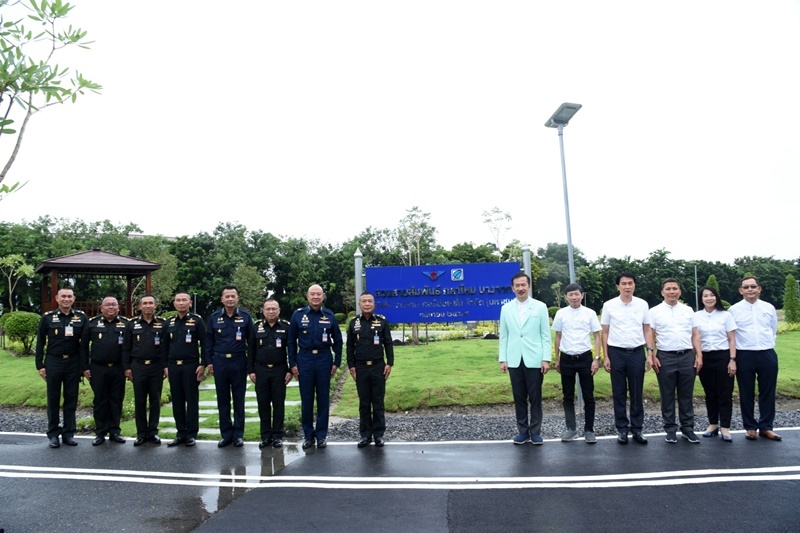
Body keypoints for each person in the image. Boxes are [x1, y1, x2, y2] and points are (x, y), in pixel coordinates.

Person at [288, 284, 343, 450]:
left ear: (323, 296)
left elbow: (338, 341)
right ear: (307, 296)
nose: (316, 297)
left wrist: (337, 362)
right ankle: (308, 435)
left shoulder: (329, 315)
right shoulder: (298, 315)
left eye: (319, 294)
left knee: (323, 398)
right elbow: (291, 341)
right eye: (312, 294)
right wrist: (292, 363)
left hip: (323, 358)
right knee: (306, 399)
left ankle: (321, 436)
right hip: (304, 359)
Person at [601, 272, 653, 445]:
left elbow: (647, 329)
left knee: (637, 392)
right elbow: (605, 331)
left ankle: (637, 429)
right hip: (616, 352)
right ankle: (622, 429)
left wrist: (650, 353)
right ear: (618, 286)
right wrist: (606, 356)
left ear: (634, 285)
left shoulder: (642, 304)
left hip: (637, 352)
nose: (627, 287)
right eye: (623, 284)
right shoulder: (609, 305)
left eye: (630, 283)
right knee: (619, 392)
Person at [498, 272, 551, 445]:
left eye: (523, 285)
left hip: (535, 358)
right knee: (519, 396)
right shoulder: (506, 308)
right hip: (514, 358)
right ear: (512, 288)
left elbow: (545, 335)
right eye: (517, 286)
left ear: (529, 286)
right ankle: (522, 431)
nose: (520, 288)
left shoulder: (540, 307)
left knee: (535, 397)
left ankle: (535, 431)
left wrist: (546, 359)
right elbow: (504, 336)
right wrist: (503, 358)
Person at [648, 278, 703, 444]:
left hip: (687, 356)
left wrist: (699, 355)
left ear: (680, 291)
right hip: (665, 357)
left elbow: (695, 334)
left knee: (686, 395)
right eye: (668, 289)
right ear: (662, 292)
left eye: (675, 289)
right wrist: (651, 354)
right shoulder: (654, 311)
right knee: (667, 395)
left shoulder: (688, 311)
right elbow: (650, 334)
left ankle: (688, 429)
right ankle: (670, 429)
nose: (672, 292)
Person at [728, 276, 781, 441]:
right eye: (746, 287)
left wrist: (768, 344)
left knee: (768, 391)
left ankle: (766, 426)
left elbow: (773, 329)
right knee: (746, 392)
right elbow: (732, 335)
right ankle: (750, 427)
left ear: (759, 289)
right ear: (740, 290)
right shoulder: (734, 310)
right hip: (745, 354)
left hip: (767, 353)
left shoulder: (769, 307)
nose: (750, 289)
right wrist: (733, 359)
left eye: (753, 286)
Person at [35, 288, 88, 448]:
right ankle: (53, 434)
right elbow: (40, 342)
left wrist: (84, 366)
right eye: (63, 296)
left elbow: (84, 345)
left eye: (69, 296)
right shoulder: (48, 318)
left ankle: (69, 433)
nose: (66, 299)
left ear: (74, 298)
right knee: (53, 398)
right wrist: (40, 365)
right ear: (57, 298)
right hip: (53, 361)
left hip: (73, 362)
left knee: (71, 398)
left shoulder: (81, 317)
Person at [552, 283, 601, 444]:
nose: (574, 297)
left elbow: (597, 336)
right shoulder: (561, 313)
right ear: (566, 297)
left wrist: (597, 358)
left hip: (585, 358)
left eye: (576, 294)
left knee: (588, 396)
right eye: (570, 295)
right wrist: (557, 358)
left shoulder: (590, 313)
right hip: (566, 358)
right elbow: (558, 337)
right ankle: (571, 428)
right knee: (567, 396)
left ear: (582, 295)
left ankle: (589, 429)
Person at [206, 285, 252, 448]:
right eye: (227, 296)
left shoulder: (245, 317)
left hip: (239, 361)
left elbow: (252, 343)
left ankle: (238, 434)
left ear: (238, 298)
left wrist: (250, 365)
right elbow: (209, 341)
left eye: (233, 296)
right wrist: (209, 362)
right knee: (223, 400)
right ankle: (226, 434)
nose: (230, 299)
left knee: (239, 400)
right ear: (222, 299)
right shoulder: (214, 317)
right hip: (220, 362)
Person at [347, 292, 394, 448]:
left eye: (370, 301)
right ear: (359, 304)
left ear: (374, 304)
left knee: (378, 402)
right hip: (360, 367)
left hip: (378, 366)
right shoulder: (354, 323)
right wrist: (351, 365)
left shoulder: (382, 321)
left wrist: (390, 363)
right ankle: (365, 435)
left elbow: (388, 343)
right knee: (364, 402)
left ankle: (379, 435)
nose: (367, 304)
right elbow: (349, 346)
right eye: (364, 301)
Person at [80, 296, 129, 446]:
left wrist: (128, 368)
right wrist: (85, 368)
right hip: (97, 368)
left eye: (113, 305)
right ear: (101, 308)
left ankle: (114, 431)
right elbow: (82, 347)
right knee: (100, 401)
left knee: (116, 400)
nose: (110, 308)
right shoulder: (92, 324)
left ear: (118, 308)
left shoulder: (126, 324)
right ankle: (100, 432)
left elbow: (131, 348)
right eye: (107, 305)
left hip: (118, 368)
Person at [693, 286, 737, 442]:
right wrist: (698, 356)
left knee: (724, 394)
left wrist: (732, 360)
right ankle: (713, 424)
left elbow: (732, 339)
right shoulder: (696, 316)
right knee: (710, 393)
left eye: (712, 295)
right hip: (704, 357)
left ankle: (725, 427)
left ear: (717, 297)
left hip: (723, 356)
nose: (709, 298)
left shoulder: (726, 316)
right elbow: (695, 337)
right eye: (705, 296)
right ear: (701, 299)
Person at [123, 293, 168, 446]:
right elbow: (126, 348)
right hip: (138, 366)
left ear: (155, 305)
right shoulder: (132, 324)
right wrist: (127, 368)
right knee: (140, 400)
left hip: (156, 366)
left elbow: (166, 347)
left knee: (155, 400)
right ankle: (141, 433)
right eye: (145, 303)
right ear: (140, 306)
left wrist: (165, 366)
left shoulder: (163, 323)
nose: (148, 306)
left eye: (151, 303)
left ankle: (153, 432)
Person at [164, 291, 206, 447]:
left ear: (190, 303)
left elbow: (205, 344)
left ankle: (191, 434)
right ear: (174, 304)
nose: (181, 303)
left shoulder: (197, 321)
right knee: (177, 401)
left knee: (191, 400)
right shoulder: (169, 323)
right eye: (178, 300)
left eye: (184, 300)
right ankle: (180, 432)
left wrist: (203, 364)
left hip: (191, 366)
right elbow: (164, 346)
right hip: (174, 366)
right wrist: (165, 366)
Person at [248, 298, 291, 449]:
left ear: (279, 310)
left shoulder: (286, 327)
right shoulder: (256, 327)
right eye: (268, 309)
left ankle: (278, 435)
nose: (271, 312)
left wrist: (290, 370)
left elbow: (291, 349)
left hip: (280, 370)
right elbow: (251, 350)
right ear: (263, 311)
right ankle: (265, 436)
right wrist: (251, 371)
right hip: (261, 370)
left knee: (279, 403)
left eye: (274, 309)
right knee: (263, 403)